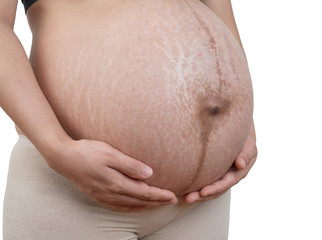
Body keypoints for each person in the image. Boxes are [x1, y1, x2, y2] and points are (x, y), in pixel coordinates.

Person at [0, 0, 257, 239]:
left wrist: (244, 129)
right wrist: (56, 148)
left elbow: (221, 16)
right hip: (76, 193)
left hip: (201, 202)